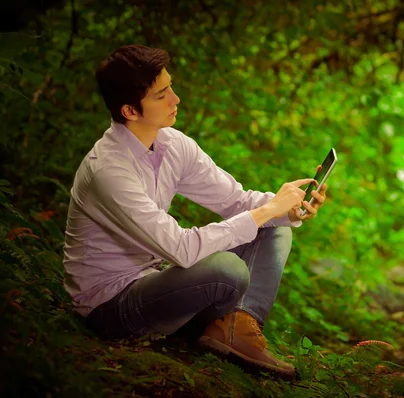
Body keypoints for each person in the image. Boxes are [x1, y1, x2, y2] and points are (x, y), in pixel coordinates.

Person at [62, 44, 327, 378]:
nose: (175, 99)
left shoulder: (172, 143)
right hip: (112, 305)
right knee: (227, 270)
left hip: (155, 279)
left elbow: (237, 201)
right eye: (161, 95)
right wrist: (267, 210)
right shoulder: (109, 170)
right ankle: (215, 328)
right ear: (130, 111)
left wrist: (290, 209)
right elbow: (181, 249)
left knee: (275, 227)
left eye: (170, 87)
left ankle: (237, 328)